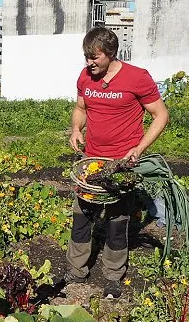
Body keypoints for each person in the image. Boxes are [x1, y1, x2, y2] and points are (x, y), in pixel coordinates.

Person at [64, 27, 169, 298]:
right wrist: (76, 129)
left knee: (116, 220)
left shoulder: (137, 78)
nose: (89, 63)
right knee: (81, 216)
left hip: (121, 164)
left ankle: (112, 275)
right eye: (86, 56)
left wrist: (139, 148)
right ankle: (76, 271)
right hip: (92, 161)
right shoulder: (85, 77)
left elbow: (161, 115)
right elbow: (80, 108)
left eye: (95, 57)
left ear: (110, 54)